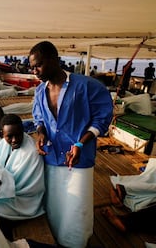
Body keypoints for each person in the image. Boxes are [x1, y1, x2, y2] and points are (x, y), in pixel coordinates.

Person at [29, 41, 113, 247]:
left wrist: (80, 144)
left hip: (79, 156)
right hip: (52, 154)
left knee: (77, 205)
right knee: (56, 201)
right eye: (32, 67)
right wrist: (40, 134)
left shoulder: (87, 85)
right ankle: (57, 237)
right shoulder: (40, 91)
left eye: (38, 65)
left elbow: (101, 119)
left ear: (54, 60)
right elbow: (39, 118)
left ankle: (75, 242)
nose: (34, 71)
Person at [0, 114, 45, 221]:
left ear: (22, 131)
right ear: (3, 133)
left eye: (18, 135)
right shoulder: (4, 143)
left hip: (24, 200)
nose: (14, 140)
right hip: (6, 190)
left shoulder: (31, 152)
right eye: (9, 136)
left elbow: (20, 186)